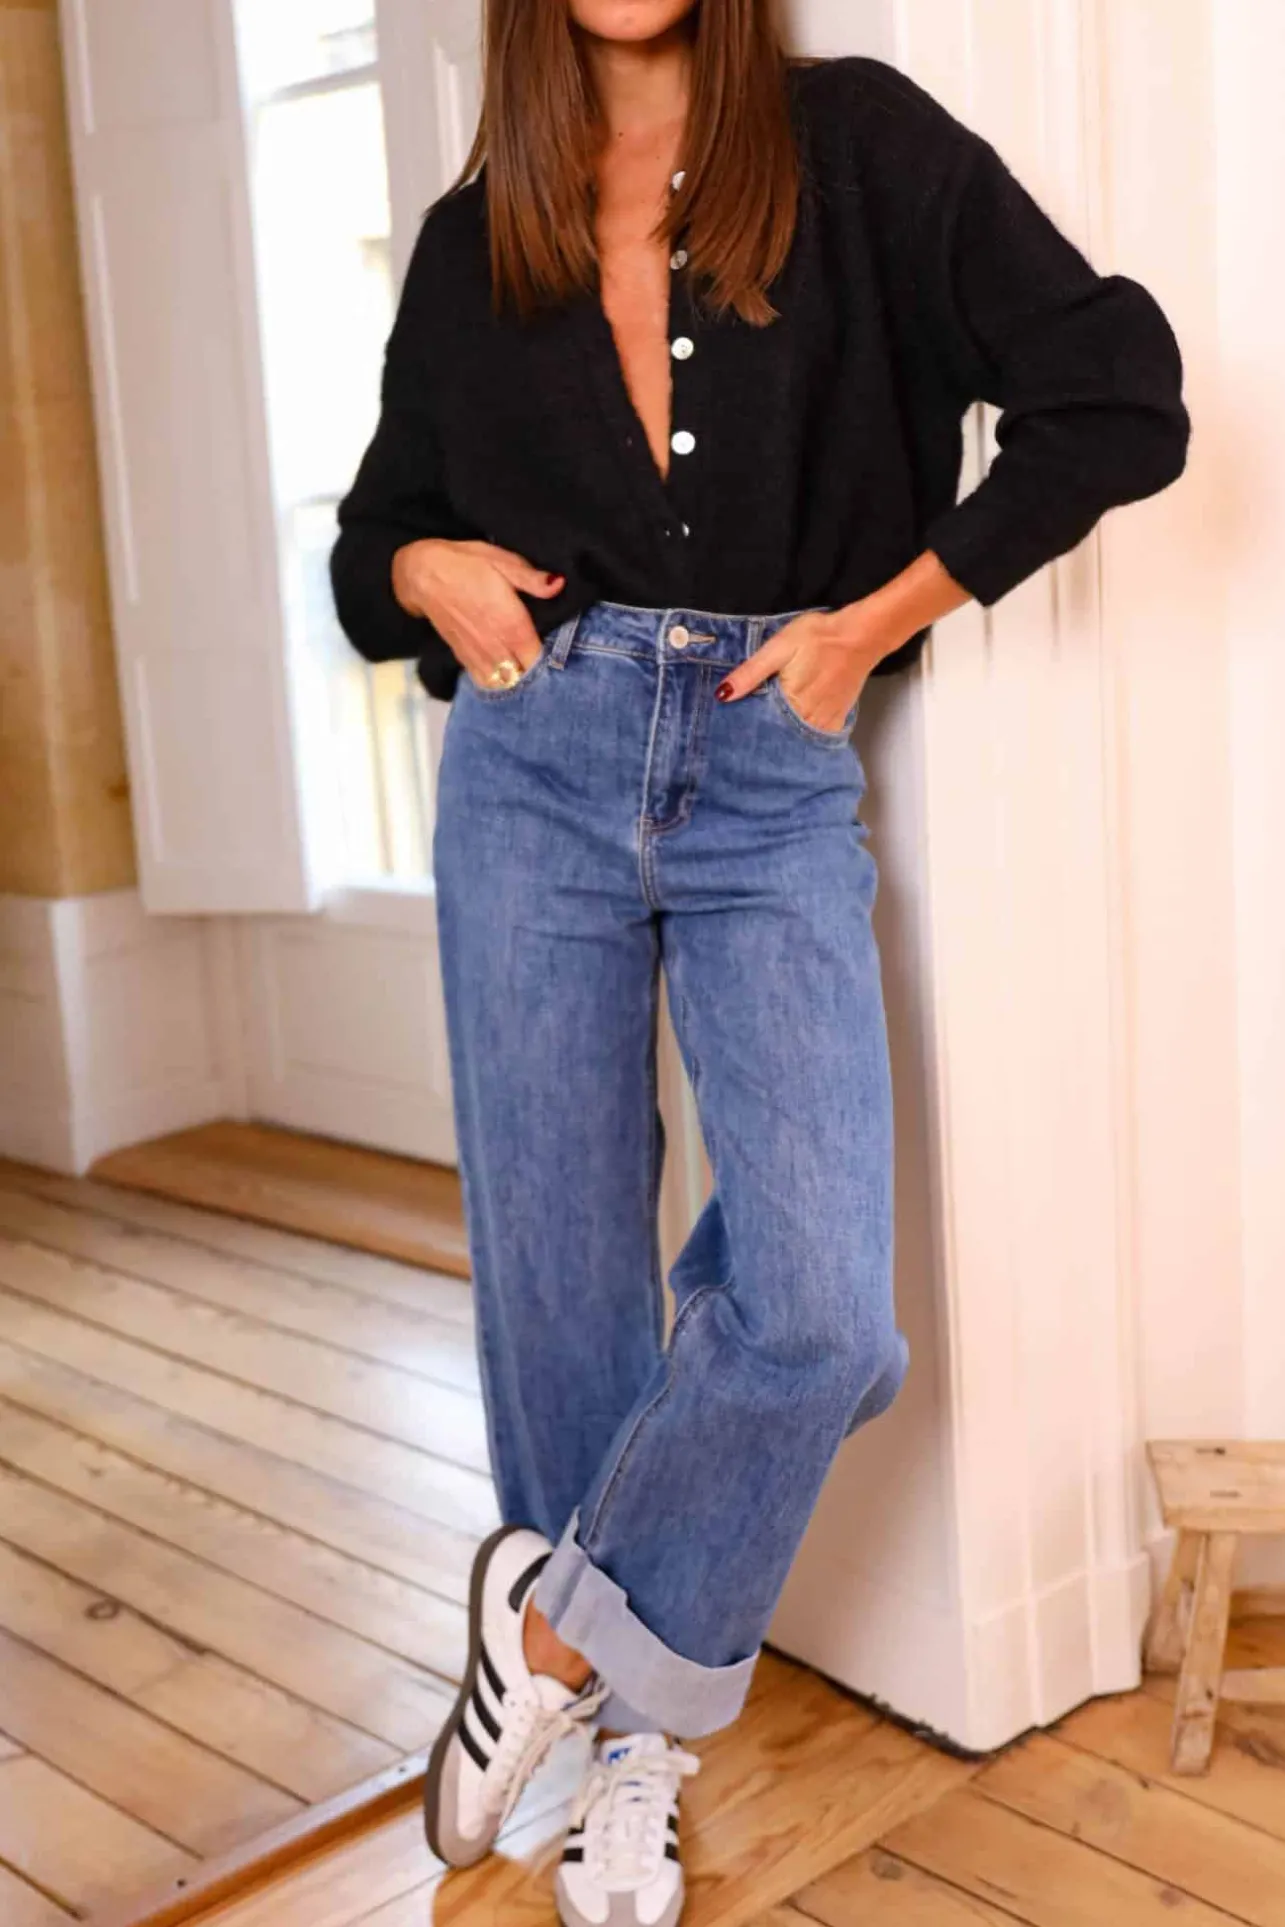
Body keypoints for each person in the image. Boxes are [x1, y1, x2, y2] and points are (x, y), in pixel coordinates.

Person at [329, 2, 1189, 1921]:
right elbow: (374, 543)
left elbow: (1120, 392)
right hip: (532, 759)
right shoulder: (478, 234)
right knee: (562, 1273)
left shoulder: (860, 145)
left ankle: (547, 1646)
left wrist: (873, 621)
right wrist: (417, 569)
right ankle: (623, 1753)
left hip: (769, 763)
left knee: (820, 1310)